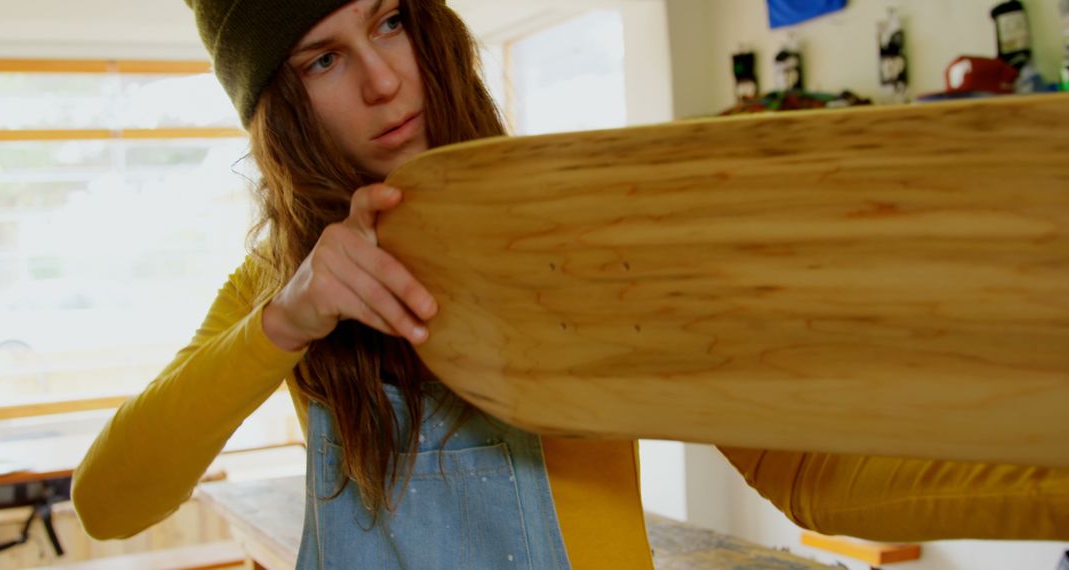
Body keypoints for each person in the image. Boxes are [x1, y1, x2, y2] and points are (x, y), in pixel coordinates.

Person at [71, 0, 1069, 568]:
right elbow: (112, 501)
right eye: (323, 58)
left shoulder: (582, 232)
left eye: (390, 20)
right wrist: (285, 323)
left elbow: (812, 475)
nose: (384, 81)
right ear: (277, 107)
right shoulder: (283, 286)